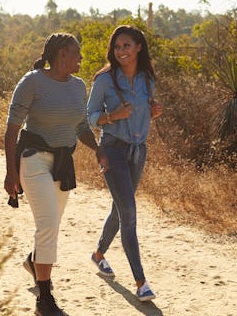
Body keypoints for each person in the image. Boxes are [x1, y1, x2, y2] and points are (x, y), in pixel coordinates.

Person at [4, 33, 103, 316]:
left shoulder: (78, 86)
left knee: (52, 225)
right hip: (33, 158)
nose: (81, 58)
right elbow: (12, 129)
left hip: (62, 163)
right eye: (77, 53)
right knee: (48, 224)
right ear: (61, 54)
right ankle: (44, 300)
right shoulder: (32, 81)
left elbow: (81, 126)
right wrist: (11, 173)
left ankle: (35, 261)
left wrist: (97, 149)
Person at [86, 25, 164, 302]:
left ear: (138, 47)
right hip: (112, 150)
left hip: (138, 151)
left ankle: (98, 255)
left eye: (126, 46)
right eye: (117, 47)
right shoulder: (105, 80)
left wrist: (153, 112)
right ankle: (141, 283)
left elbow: (146, 109)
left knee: (120, 210)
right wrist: (112, 116)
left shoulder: (147, 78)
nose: (121, 51)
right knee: (129, 212)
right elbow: (90, 116)